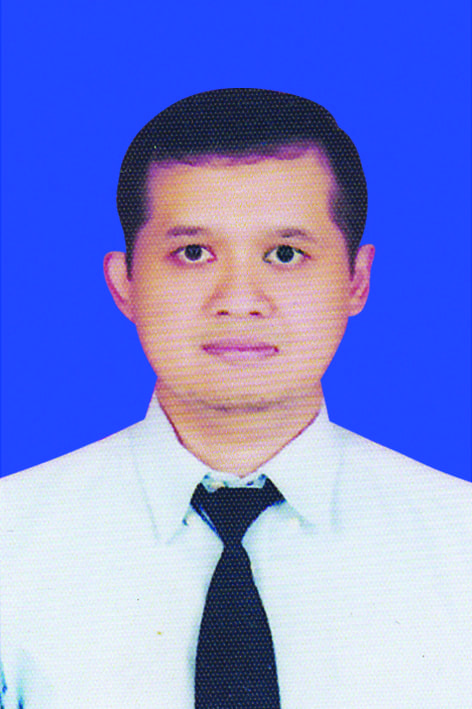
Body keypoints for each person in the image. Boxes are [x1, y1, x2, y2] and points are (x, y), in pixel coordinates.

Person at [1, 89, 470, 709]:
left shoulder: (460, 541)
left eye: (285, 254)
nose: (240, 300)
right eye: (193, 253)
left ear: (356, 279)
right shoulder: (12, 540)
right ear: (124, 283)